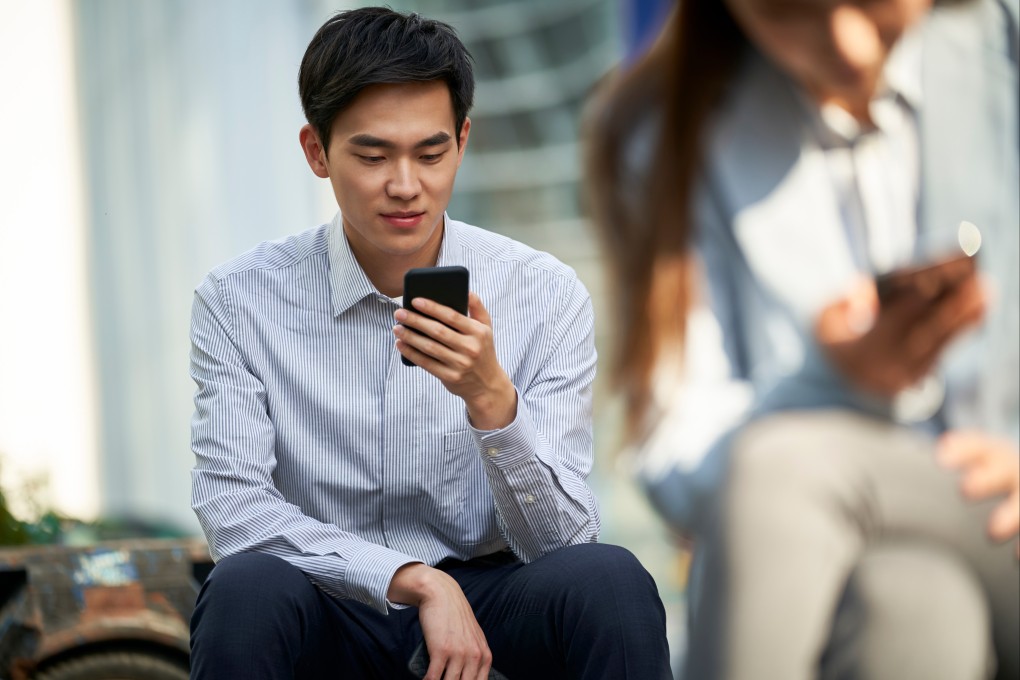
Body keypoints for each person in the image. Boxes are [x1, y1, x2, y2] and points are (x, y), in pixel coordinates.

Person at [188, 7, 672, 680]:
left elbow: (563, 540)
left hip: (494, 598)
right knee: (244, 590)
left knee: (608, 580)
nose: (406, 185)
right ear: (317, 151)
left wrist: (491, 401)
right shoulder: (240, 300)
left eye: (431, 152)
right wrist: (411, 579)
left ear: (463, 142)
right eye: (373, 154)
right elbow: (235, 511)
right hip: (333, 599)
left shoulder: (543, 292)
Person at [586, 0, 1019, 678]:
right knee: (911, 611)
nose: (847, 45)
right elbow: (672, 444)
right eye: (790, 12)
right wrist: (835, 380)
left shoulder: (1004, 45)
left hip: (1005, 521)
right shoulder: (663, 127)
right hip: (844, 576)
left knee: (776, 466)